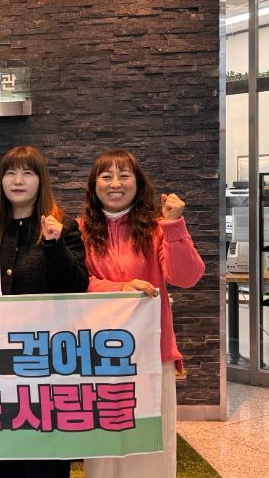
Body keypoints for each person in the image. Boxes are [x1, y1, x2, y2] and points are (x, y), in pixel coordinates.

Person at [79, 149, 205, 478]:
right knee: (103, 451)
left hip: (152, 353)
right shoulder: (79, 230)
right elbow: (75, 283)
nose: (115, 183)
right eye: (106, 176)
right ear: (93, 185)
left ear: (138, 183)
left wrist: (174, 225)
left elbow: (186, 277)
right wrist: (119, 288)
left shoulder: (157, 228)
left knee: (151, 449)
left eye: (124, 175)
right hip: (98, 355)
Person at [0, 145, 88, 478]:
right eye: (11, 172)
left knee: (48, 458)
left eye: (27, 173)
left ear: (41, 180)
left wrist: (53, 245)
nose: (18, 180)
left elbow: (77, 285)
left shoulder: (63, 227)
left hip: (46, 362)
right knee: (5, 455)